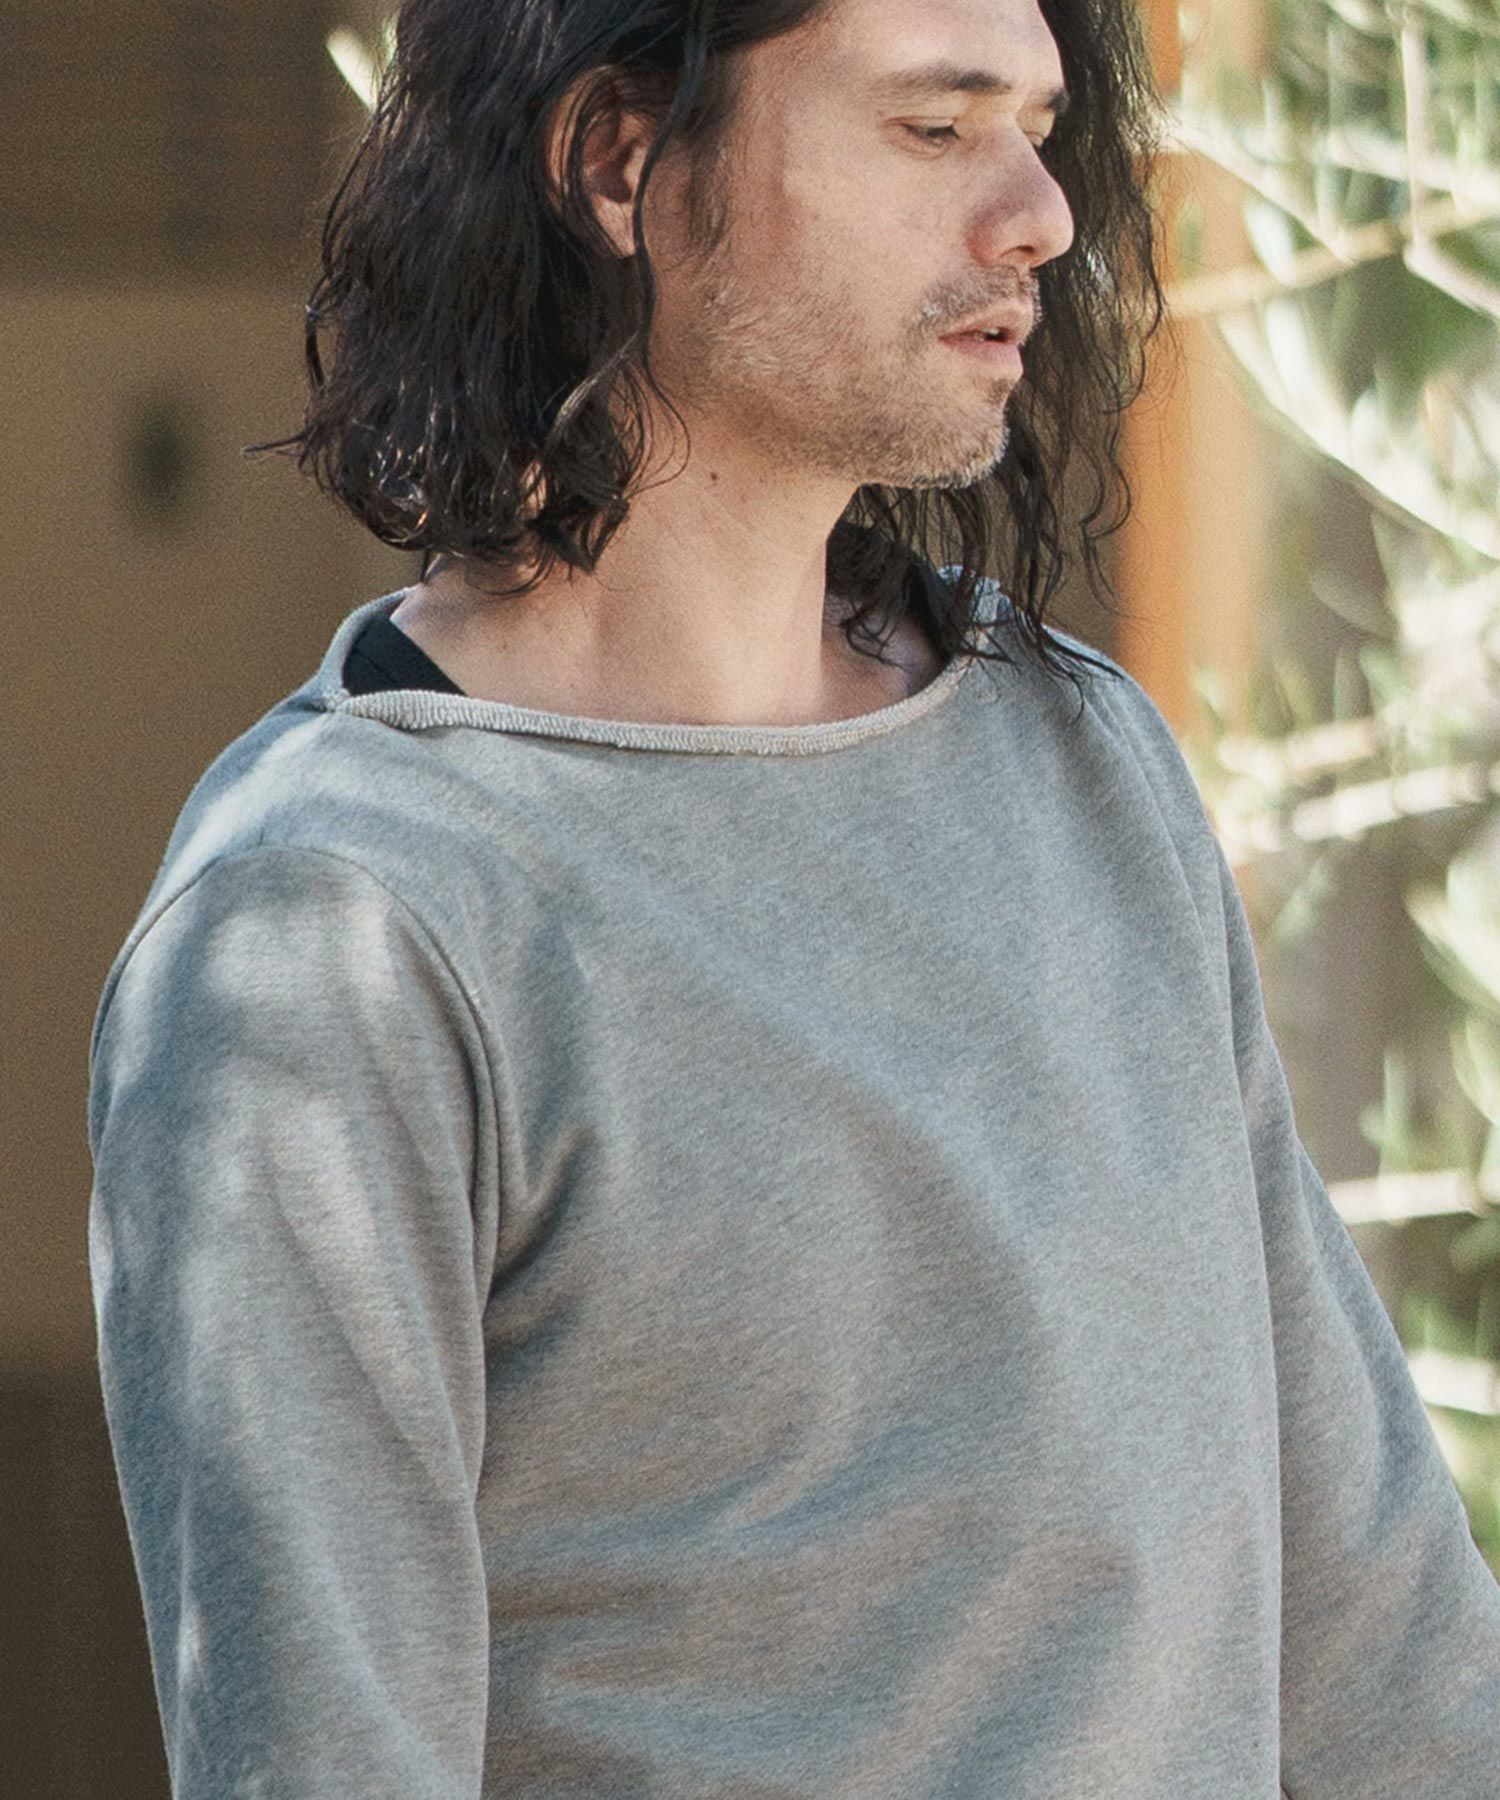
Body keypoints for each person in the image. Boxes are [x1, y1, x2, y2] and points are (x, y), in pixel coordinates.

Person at [85, 0, 1500, 1793]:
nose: (1041, 214)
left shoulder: (1084, 764)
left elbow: (1388, 1655)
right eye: (935, 129)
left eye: (1037, 125)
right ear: (619, 163)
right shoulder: (335, 929)